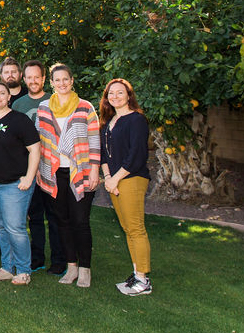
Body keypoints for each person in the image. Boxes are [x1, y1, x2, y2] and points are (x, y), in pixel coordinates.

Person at [36, 63, 100, 288]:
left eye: (66, 79)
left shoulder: (85, 107)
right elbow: (39, 141)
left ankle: (85, 269)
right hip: (53, 173)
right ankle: (71, 266)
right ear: (51, 83)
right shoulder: (44, 108)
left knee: (80, 221)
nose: (62, 83)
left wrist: (94, 169)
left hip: (80, 172)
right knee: (61, 221)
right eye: (57, 80)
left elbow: (94, 140)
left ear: (72, 81)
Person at [0, 81, 41, 286]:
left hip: (14, 184)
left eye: (2, 93)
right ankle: (7, 267)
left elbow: (35, 150)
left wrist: (29, 177)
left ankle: (23, 270)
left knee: (15, 227)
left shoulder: (20, 120)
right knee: (1, 226)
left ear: (8, 97)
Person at [99, 78, 152, 296]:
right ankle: (136, 273)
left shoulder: (136, 120)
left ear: (129, 95)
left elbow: (136, 154)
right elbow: (103, 153)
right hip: (115, 181)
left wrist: (115, 179)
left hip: (131, 179)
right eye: (111, 93)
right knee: (128, 228)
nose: (115, 97)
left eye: (120, 93)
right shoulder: (109, 121)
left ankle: (143, 280)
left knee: (136, 228)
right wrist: (108, 177)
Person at [12, 60, 65, 275]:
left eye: (37, 77)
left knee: (55, 216)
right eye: (29, 77)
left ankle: (59, 260)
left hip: (53, 168)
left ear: (44, 79)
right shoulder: (18, 105)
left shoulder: (54, 101)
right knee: (34, 216)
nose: (33, 81)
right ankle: (36, 258)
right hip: (28, 169)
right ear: (24, 79)